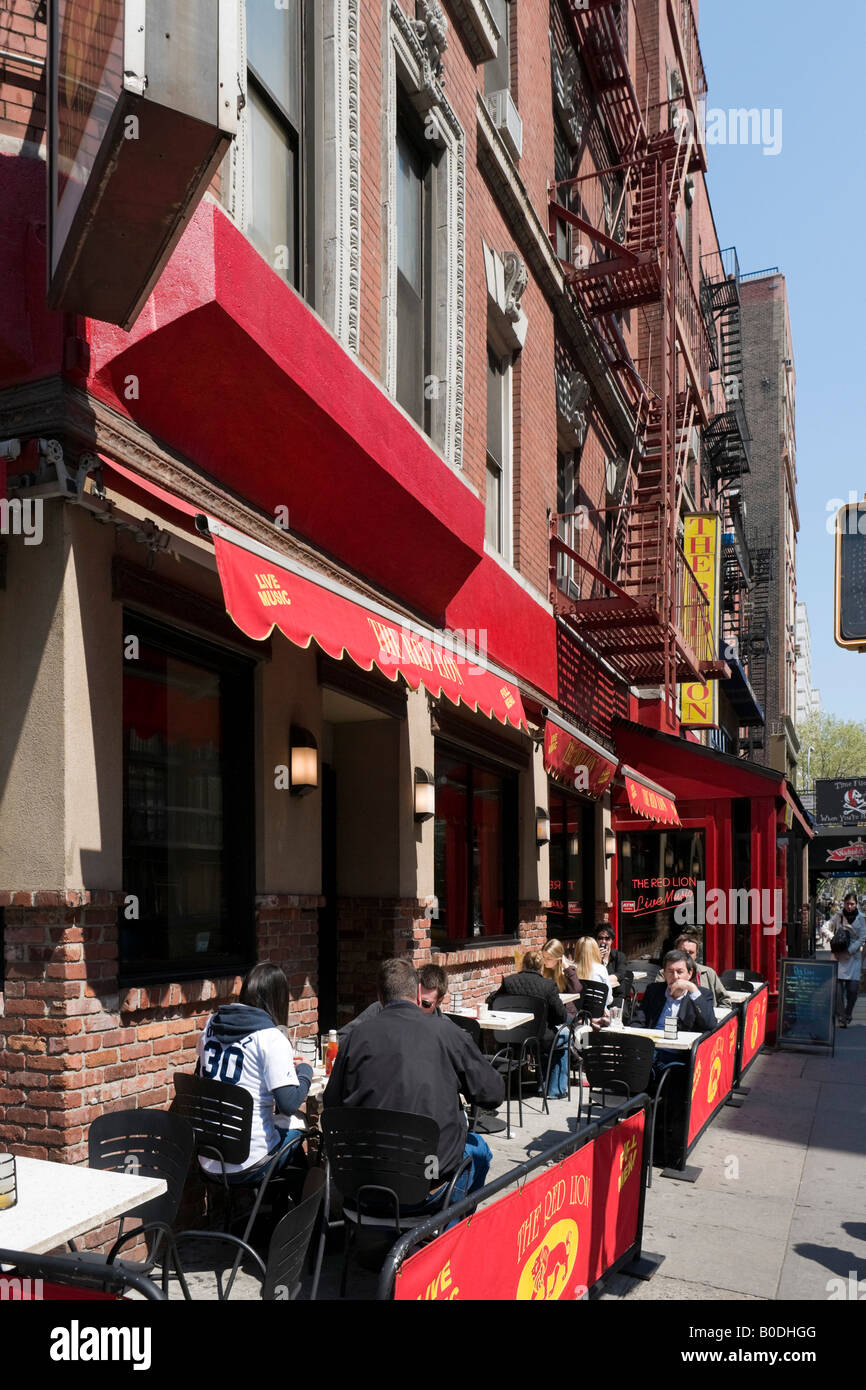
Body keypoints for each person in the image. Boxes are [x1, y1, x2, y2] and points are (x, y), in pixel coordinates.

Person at [323, 958, 504, 1206]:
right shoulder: (448, 1034)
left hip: (364, 1180)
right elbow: (492, 1094)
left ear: (380, 996)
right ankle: (453, 1235)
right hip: (430, 1182)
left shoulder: (356, 1038)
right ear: (418, 993)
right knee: (479, 1150)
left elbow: (331, 1104)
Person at [196, 962, 312, 1185]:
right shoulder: (271, 1038)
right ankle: (291, 1215)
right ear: (279, 998)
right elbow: (288, 1105)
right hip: (249, 1163)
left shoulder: (211, 1025)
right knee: (299, 1126)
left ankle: (267, 1210)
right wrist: (305, 1070)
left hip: (208, 1158)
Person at [337, 961, 449, 1040]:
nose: (417, 1007)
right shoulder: (382, 1008)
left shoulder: (446, 1031)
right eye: (415, 998)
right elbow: (340, 1039)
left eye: (425, 1004)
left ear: (439, 1002)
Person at [634, 950, 716, 1034]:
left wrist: (692, 988)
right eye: (670, 971)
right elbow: (638, 1021)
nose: (675, 976)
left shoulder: (701, 994)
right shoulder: (653, 990)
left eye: (680, 972)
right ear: (664, 973)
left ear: (690, 973)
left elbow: (710, 1025)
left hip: (682, 1044)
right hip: (653, 1042)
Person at [654, 933, 731, 1008]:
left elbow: (725, 1001)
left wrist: (715, 1017)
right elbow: (657, 999)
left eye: (691, 953)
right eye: (683, 952)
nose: (687, 956)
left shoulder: (709, 973)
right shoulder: (664, 973)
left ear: (696, 954)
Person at [828, 892, 866, 1027]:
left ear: (856, 904)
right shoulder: (838, 916)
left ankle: (848, 1013)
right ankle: (842, 1018)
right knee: (837, 991)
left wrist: (849, 951)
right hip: (838, 956)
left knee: (853, 990)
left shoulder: (861, 918)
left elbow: (862, 938)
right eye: (847, 903)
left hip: (853, 957)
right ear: (843, 903)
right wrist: (833, 939)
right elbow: (824, 927)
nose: (849, 906)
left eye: (852, 904)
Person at [595, 925, 634, 1006]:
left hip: (616, 997)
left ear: (612, 940)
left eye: (607, 938)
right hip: (598, 997)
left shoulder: (619, 956)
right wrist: (597, 958)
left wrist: (601, 980)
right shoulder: (592, 957)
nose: (603, 941)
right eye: (600, 938)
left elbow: (620, 974)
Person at [572, 935, 613, 1008]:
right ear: (595, 950)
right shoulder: (601, 969)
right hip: (597, 1013)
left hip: (577, 1014)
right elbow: (609, 999)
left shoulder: (570, 969)